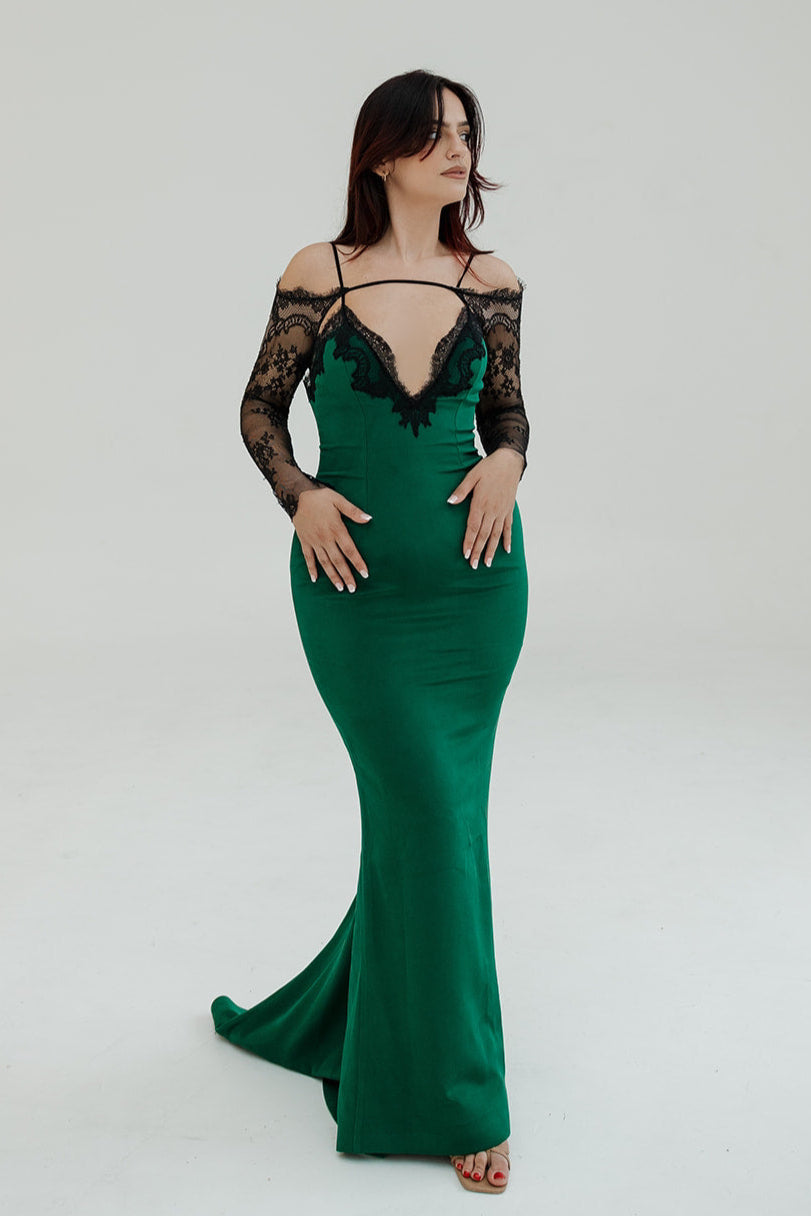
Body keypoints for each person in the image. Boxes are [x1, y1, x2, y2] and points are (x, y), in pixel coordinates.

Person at [210, 69, 529, 1195]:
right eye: (432, 134)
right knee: (425, 817)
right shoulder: (321, 271)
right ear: (381, 153)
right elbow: (258, 407)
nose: (457, 149)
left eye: (465, 132)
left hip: (476, 593)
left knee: (435, 825)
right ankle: (456, 1093)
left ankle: (416, 1055)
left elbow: (507, 410)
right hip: (352, 592)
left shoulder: (492, 280)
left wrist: (509, 459)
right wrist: (299, 493)